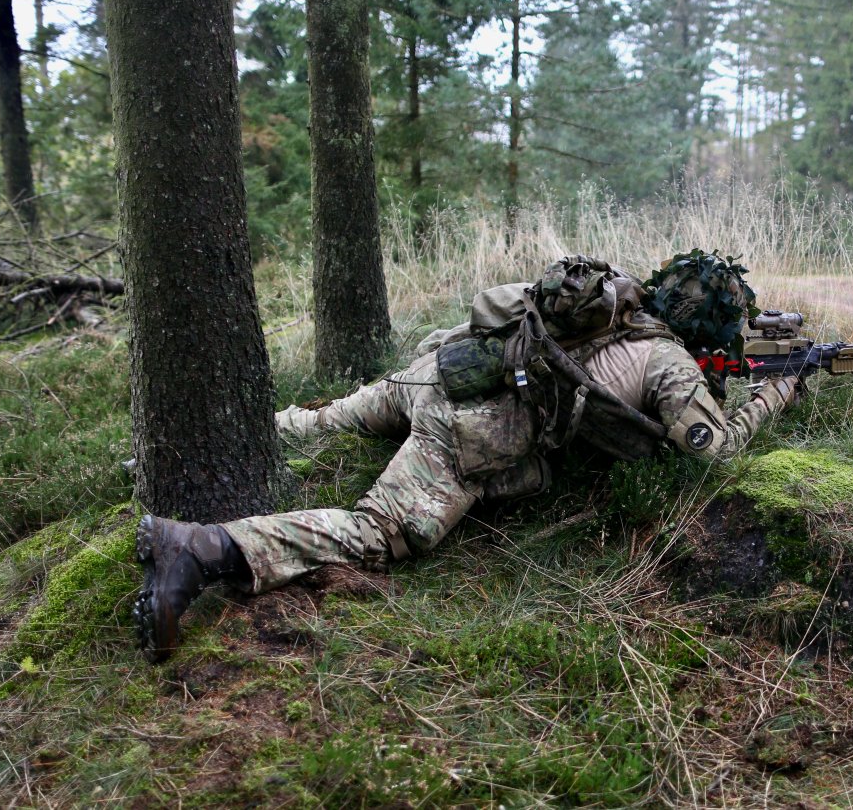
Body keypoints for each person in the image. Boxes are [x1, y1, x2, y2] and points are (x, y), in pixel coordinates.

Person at [132, 251, 800, 662]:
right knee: (376, 534)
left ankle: (165, 457)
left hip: (438, 367)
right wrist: (773, 393)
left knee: (322, 419)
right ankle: (203, 549)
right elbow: (714, 454)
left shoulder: (606, 302)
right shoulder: (668, 360)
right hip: (460, 426)